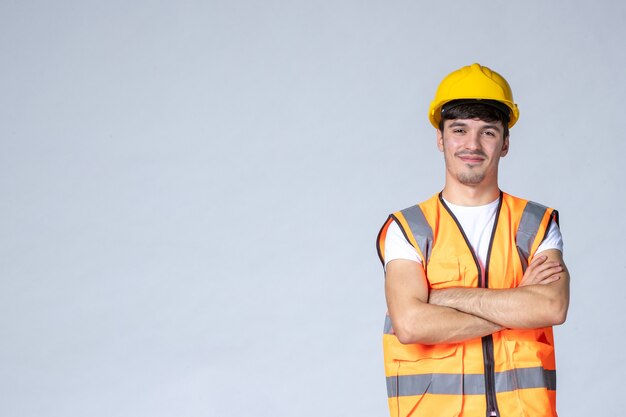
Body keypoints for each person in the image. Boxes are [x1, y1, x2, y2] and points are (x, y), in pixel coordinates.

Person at [376, 63, 570, 417]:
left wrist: (443, 300)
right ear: (440, 139)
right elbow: (410, 324)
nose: (472, 145)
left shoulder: (536, 224)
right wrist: (517, 306)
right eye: (459, 130)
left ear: (505, 143)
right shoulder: (408, 229)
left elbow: (551, 308)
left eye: (488, 132)